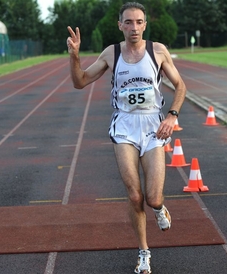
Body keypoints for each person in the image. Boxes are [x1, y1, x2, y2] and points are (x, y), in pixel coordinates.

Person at [67, 2, 186, 273]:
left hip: (154, 127)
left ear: (145, 24)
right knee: (134, 196)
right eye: (128, 22)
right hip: (124, 126)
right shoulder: (112, 53)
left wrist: (172, 116)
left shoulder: (158, 51)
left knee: (153, 198)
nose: (134, 27)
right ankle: (144, 252)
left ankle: (159, 208)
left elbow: (180, 85)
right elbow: (80, 81)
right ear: (120, 25)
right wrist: (74, 56)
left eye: (139, 22)